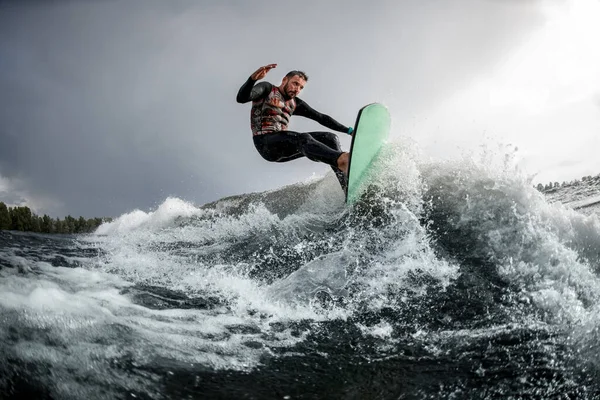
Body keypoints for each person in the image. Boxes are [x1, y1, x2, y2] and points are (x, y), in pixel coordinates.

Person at [236, 63, 353, 190]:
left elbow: (321, 117)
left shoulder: (295, 103)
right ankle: (342, 160)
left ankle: (347, 186)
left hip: (284, 146)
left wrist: (349, 130)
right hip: (265, 143)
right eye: (295, 83)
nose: (297, 89)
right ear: (285, 80)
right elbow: (242, 98)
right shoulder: (267, 89)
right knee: (303, 138)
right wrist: (252, 80)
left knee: (330, 138)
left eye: (301, 87)